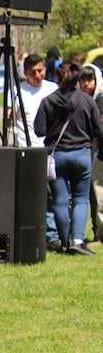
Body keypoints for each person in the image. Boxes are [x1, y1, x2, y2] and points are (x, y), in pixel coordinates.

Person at [35, 61, 103, 256]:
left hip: (57, 156)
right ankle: (78, 240)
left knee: (60, 200)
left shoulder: (48, 101)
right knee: (81, 199)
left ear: (58, 78)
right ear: (77, 79)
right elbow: (99, 131)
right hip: (82, 154)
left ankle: (64, 243)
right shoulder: (87, 101)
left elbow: (39, 130)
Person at [10, 53, 59, 248]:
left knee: (50, 194)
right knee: (29, 195)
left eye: (40, 70)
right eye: (33, 72)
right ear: (25, 72)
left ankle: (53, 234)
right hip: (26, 148)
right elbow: (10, 118)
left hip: (49, 150)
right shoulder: (17, 91)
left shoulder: (52, 89)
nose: (38, 75)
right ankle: (31, 230)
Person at [79, 64, 103, 243]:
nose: (87, 84)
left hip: (98, 152)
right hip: (86, 151)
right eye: (83, 80)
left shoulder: (100, 100)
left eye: (90, 79)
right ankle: (97, 232)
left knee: (98, 192)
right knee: (92, 194)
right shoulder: (77, 99)